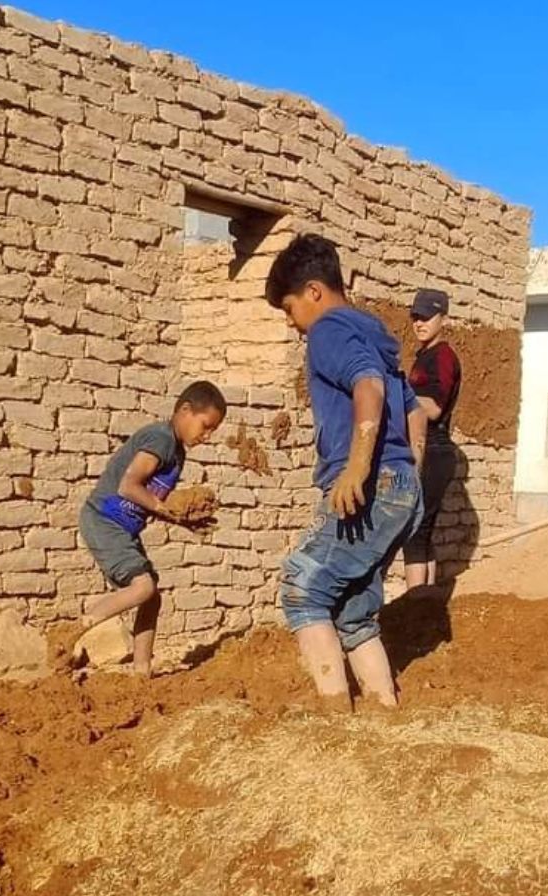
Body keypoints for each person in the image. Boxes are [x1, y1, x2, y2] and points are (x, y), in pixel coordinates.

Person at [264, 233, 427, 709]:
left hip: (371, 485)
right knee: (355, 614)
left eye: (290, 309)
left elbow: (368, 386)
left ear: (314, 292)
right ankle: (382, 713)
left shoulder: (329, 330)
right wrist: (406, 475)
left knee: (302, 591)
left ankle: (335, 727)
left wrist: (358, 469)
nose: (294, 325)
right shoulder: (374, 337)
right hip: (399, 487)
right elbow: (415, 414)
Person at [53, 381, 226, 676]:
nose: (207, 436)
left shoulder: (177, 454)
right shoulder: (160, 438)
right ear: (185, 410)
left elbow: (151, 499)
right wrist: (164, 507)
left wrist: (183, 519)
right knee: (143, 587)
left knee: (151, 595)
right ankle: (72, 630)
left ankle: (142, 672)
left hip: (123, 528)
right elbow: (128, 485)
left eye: (213, 431)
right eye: (205, 425)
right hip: (104, 520)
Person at [404, 288, 462, 588]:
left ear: (443, 318)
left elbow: (435, 408)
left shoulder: (442, 357)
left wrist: (399, 397)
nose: (419, 323)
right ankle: (423, 603)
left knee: (415, 530)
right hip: (427, 450)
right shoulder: (425, 355)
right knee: (421, 531)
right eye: (416, 316)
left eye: (427, 316)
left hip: (434, 451)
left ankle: (416, 605)